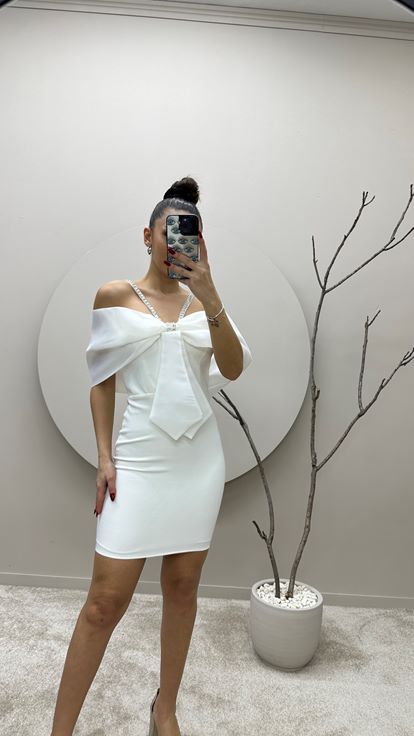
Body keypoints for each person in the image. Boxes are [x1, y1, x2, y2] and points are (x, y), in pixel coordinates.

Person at [49, 176, 252, 736]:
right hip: (138, 461)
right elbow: (101, 381)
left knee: (182, 587)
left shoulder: (205, 304)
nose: (178, 243)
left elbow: (233, 368)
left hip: (198, 463)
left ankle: (165, 709)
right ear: (148, 236)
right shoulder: (114, 295)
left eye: (191, 235)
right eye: (170, 232)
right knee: (103, 602)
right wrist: (104, 456)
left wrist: (211, 295)